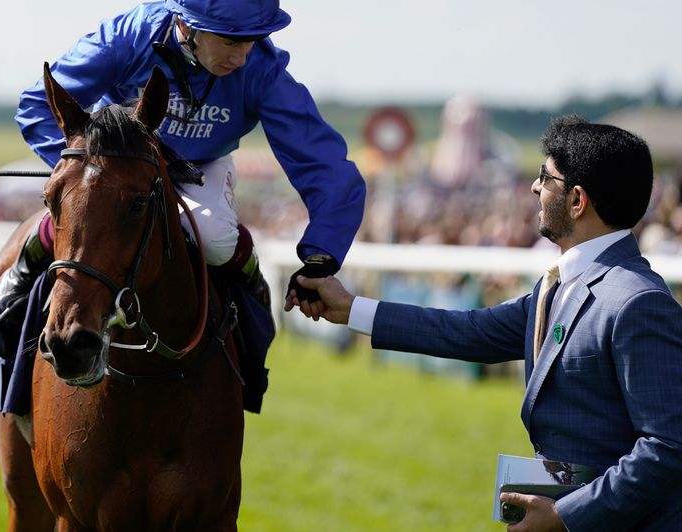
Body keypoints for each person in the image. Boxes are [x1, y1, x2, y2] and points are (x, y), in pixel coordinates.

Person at [286, 116, 682, 531]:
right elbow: (468, 331)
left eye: (545, 177)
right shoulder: (562, 284)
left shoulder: (637, 301)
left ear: (577, 200)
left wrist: (566, 516)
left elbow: (669, 445)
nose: (534, 187)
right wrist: (351, 308)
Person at [0, 0, 366, 364]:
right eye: (230, 41)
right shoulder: (128, 36)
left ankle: (251, 296)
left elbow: (323, 163)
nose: (241, 58)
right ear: (187, 24)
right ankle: (24, 269)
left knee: (215, 238)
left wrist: (320, 257)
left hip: (201, 166)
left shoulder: (261, 68)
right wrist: (87, 173)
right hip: (114, 165)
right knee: (91, 210)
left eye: (252, 41)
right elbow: (38, 104)